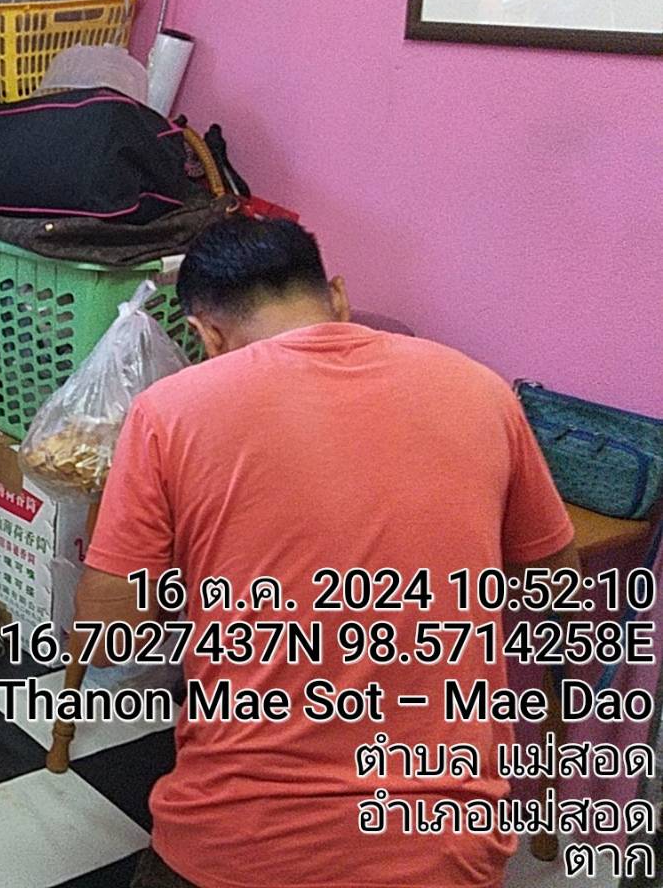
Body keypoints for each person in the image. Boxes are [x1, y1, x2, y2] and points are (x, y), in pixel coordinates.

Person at [73, 217, 579, 888]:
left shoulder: (169, 412)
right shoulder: (483, 389)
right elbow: (560, 590)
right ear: (337, 295)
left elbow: (107, 637)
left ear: (206, 335)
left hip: (241, 846)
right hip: (446, 847)